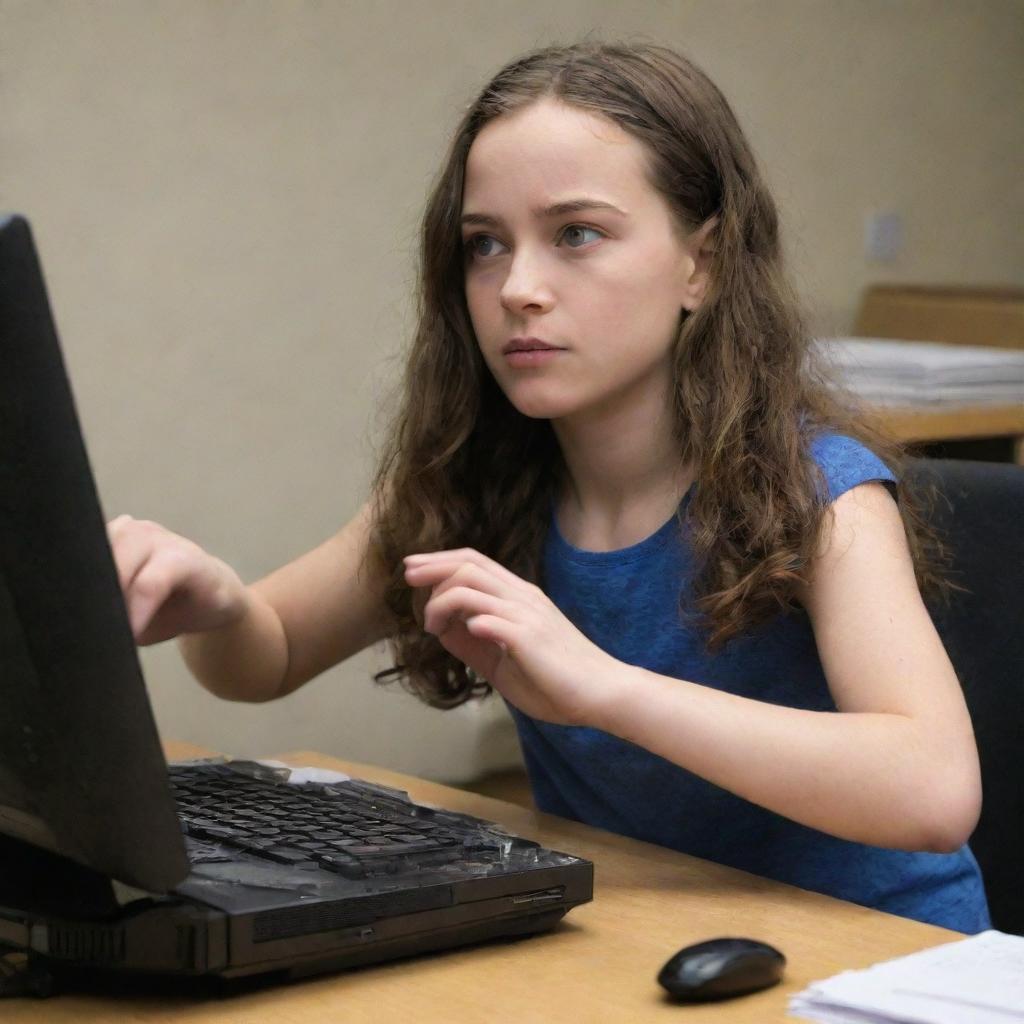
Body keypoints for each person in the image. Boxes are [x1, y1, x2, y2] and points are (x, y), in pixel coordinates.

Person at [107, 41, 990, 932]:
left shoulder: (823, 491)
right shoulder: (474, 483)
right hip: (656, 943)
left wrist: (601, 687)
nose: (517, 288)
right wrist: (217, 607)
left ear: (703, 264)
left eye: (577, 234)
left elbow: (932, 788)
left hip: (885, 960)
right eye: (485, 245)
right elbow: (266, 658)